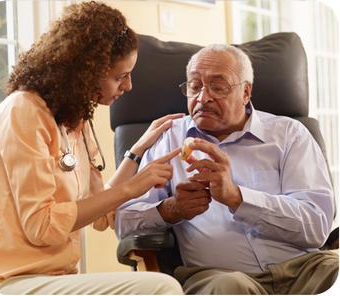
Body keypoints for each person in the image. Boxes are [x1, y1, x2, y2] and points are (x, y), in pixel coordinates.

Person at [0, 2, 184, 295]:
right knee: (162, 288)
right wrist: (132, 188)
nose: (128, 86)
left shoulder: (75, 118)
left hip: (60, 275)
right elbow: (42, 226)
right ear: (85, 72)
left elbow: (101, 216)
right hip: (14, 279)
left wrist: (137, 152)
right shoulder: (23, 111)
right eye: (119, 76)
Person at [115, 43, 339, 294]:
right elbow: (123, 223)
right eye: (194, 86)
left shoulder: (289, 134)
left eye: (218, 87)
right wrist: (170, 209)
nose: (203, 98)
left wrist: (238, 197)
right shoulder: (169, 140)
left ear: (246, 92)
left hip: (304, 270)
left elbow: (317, 227)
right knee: (230, 286)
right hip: (221, 276)